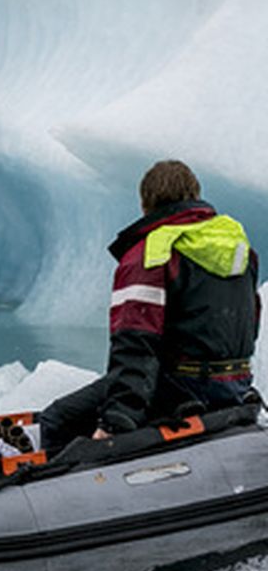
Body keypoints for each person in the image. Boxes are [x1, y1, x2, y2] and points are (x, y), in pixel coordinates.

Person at [39, 160, 261, 452]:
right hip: (234, 387)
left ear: (145, 205)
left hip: (181, 389)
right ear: (195, 195)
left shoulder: (152, 253)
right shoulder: (239, 249)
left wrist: (116, 422)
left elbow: (136, 345)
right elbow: (250, 326)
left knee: (57, 419)